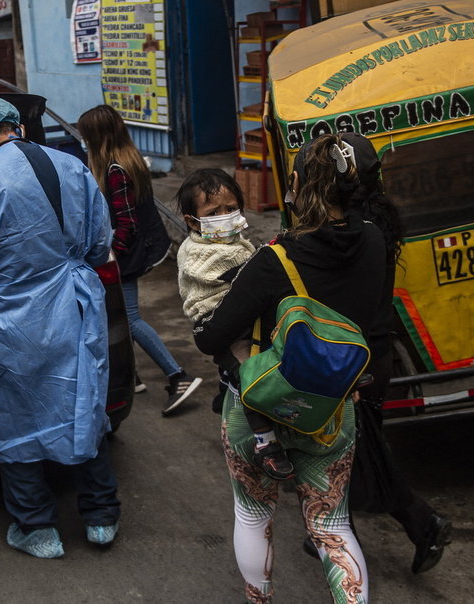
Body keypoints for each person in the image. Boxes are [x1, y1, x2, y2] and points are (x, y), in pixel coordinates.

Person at [0, 98, 120, 559]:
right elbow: (99, 247)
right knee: (85, 403)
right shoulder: (74, 168)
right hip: (77, 308)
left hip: (17, 319)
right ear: (17, 127)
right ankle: (101, 519)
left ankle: (38, 530)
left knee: (19, 417)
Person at [194, 134, 381, 604]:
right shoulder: (375, 242)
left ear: (298, 185)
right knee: (332, 525)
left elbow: (212, 339)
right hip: (335, 409)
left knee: (254, 515)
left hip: (260, 408)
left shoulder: (275, 260)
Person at [337, 131, 453, 574]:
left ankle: (425, 523)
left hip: (356, 359)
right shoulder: (378, 219)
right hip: (374, 352)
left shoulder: (353, 232)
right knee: (353, 450)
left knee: (362, 453)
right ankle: (331, 526)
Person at [77, 104, 202, 415]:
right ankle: (130, 377)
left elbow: (126, 223)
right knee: (116, 315)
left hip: (129, 254)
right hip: (135, 251)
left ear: (97, 138)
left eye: (85, 137)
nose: (83, 142)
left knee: (129, 319)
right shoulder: (126, 161)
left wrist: (109, 257)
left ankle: (178, 376)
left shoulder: (114, 170)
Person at [174, 168, 293, 478]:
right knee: (249, 375)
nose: (225, 216)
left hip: (249, 321)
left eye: (231, 209)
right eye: (214, 212)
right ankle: (265, 441)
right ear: (192, 221)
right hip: (219, 322)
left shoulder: (237, 243)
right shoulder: (198, 252)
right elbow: (214, 279)